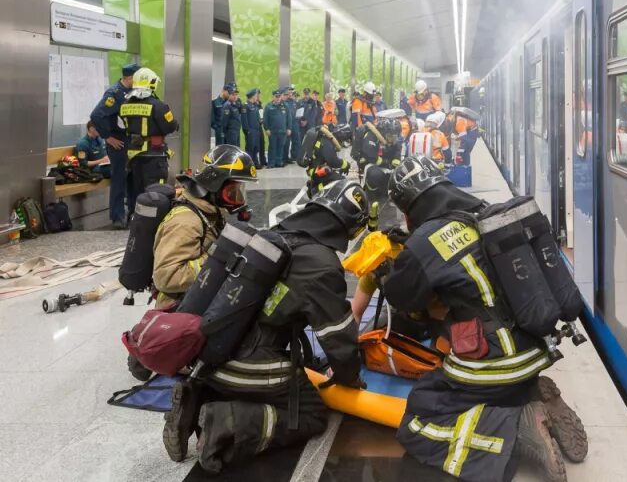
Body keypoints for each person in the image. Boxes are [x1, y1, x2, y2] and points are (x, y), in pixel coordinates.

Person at [383, 157, 587, 482]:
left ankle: (517, 425)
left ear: (408, 209)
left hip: (494, 366)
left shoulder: (426, 241)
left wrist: (400, 261)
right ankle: (529, 393)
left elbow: (402, 296)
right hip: (536, 345)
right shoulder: (487, 212)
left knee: (421, 414)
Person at [164, 179, 369, 473]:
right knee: (310, 414)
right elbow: (338, 338)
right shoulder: (321, 265)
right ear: (348, 227)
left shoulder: (271, 237)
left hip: (206, 355)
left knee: (263, 376)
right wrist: (350, 378)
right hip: (248, 364)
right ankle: (224, 423)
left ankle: (196, 399)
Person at [127, 144, 258, 381]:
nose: (237, 198)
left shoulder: (209, 210)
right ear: (215, 185)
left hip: (200, 292)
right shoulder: (186, 221)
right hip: (180, 303)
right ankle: (157, 343)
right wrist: (219, 259)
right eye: (233, 191)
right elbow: (167, 276)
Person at [119, 68, 179, 205]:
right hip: (154, 155)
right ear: (151, 84)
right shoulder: (158, 106)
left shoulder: (124, 105)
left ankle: (136, 218)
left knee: (137, 191)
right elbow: (170, 126)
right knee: (156, 192)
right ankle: (154, 221)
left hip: (133, 156)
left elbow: (122, 126)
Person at [90, 62, 139, 229]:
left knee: (133, 179)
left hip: (130, 142)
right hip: (118, 143)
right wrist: (108, 137)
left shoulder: (132, 92)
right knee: (119, 179)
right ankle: (117, 217)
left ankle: (133, 213)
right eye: (137, 77)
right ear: (130, 77)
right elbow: (96, 115)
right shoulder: (114, 93)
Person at [360, 116, 403, 201]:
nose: (393, 139)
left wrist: (396, 161)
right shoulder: (371, 136)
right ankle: (371, 189)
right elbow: (371, 156)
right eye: (390, 136)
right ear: (383, 133)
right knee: (376, 175)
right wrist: (386, 163)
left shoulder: (395, 141)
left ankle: (385, 190)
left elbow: (397, 152)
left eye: (395, 136)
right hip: (370, 164)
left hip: (386, 165)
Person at [306, 123, 350, 196]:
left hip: (315, 169)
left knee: (332, 174)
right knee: (341, 180)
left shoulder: (325, 139)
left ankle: (314, 185)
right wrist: (346, 164)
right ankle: (315, 190)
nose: (342, 143)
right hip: (318, 171)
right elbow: (332, 161)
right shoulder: (327, 143)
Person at [265, 89, 290, 168]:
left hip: (282, 130)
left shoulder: (285, 106)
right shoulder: (268, 106)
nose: (278, 98)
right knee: (272, 147)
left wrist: (289, 128)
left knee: (280, 146)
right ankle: (271, 163)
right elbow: (265, 119)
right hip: (272, 131)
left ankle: (279, 162)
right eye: (276, 97)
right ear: (273, 97)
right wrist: (266, 129)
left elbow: (289, 118)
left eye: (279, 97)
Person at [242, 88, 265, 169]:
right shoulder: (245, 106)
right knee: (250, 149)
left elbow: (258, 118)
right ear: (252, 96)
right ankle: (248, 165)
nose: (257, 97)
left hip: (257, 130)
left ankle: (255, 162)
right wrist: (247, 131)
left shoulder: (255, 105)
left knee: (256, 148)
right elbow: (244, 120)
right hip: (250, 131)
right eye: (256, 95)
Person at [211, 83, 236, 147]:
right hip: (220, 132)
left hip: (229, 133)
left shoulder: (230, 104)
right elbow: (212, 120)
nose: (229, 94)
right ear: (223, 91)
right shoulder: (214, 103)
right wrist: (219, 129)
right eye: (228, 92)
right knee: (221, 150)